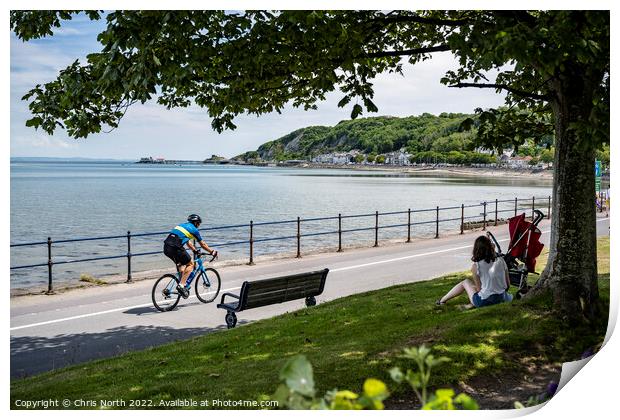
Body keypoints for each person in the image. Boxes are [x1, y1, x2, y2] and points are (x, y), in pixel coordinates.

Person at [436, 235, 512, 308]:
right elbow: (508, 285)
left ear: (476, 249)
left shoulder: (476, 266)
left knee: (465, 282)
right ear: (491, 247)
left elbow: (479, 290)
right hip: (503, 297)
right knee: (480, 287)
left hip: (484, 301)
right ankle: (470, 305)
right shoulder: (501, 260)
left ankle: (442, 301)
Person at [163, 214, 217, 298]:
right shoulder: (194, 230)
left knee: (181, 265)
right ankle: (181, 286)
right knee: (191, 264)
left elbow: (188, 242)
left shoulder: (182, 225)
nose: (198, 226)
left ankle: (173, 289)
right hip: (175, 247)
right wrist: (212, 251)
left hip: (166, 247)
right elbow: (202, 244)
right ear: (196, 223)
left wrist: (194, 250)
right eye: (199, 224)